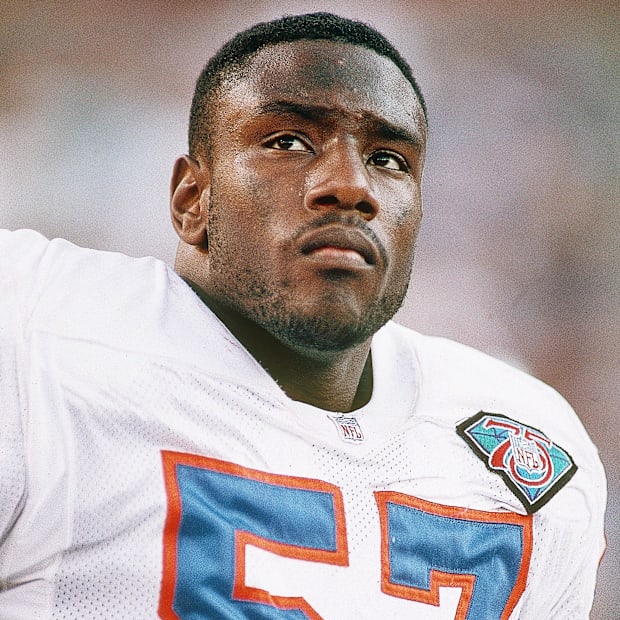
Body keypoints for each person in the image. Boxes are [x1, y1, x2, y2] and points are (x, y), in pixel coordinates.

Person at [0, 12, 606, 620]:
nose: (349, 185)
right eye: (288, 142)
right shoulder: (36, 334)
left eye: (389, 159)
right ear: (192, 199)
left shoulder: (530, 442)